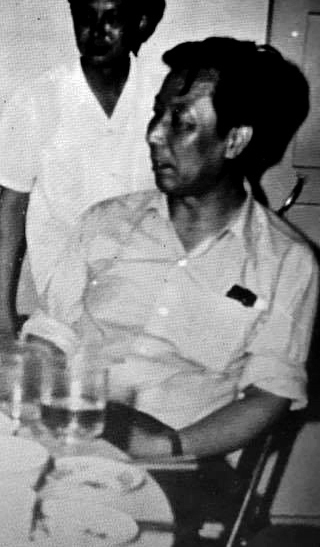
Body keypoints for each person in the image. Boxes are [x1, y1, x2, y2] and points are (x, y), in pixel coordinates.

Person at [23, 37, 317, 460]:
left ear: (235, 140)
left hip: (184, 457)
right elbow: (49, 334)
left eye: (181, 122)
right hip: (74, 434)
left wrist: (166, 447)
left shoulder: (286, 261)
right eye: (157, 113)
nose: (155, 134)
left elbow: (270, 393)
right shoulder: (105, 222)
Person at [0, 0, 166, 339]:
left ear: (141, 23)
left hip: (150, 282)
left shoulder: (165, 97)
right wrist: (1, 312)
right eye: (85, 17)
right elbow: (11, 208)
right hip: (69, 293)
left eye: (112, 17)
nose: (97, 31)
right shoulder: (38, 99)